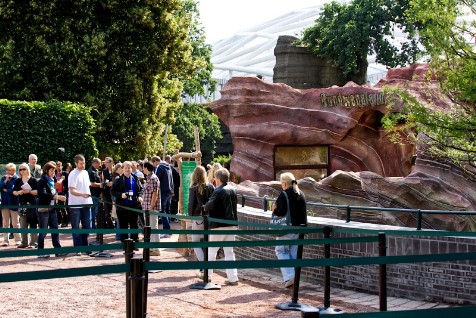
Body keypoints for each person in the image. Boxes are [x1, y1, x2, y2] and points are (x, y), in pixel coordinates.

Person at [203, 168, 239, 286]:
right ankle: (233, 278)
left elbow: (209, 206)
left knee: (212, 250)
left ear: (218, 179)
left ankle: (207, 276)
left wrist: (204, 206)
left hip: (218, 225)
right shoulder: (233, 190)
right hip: (232, 224)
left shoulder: (218, 191)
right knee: (229, 252)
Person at [271, 172, 307, 288]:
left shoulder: (284, 194)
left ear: (285, 183)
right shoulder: (301, 193)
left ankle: (290, 277)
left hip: (287, 228)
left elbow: (281, 212)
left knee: (280, 250)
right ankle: (293, 278)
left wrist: (274, 209)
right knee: (293, 253)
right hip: (298, 229)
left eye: (281, 183)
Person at [36, 162, 67, 258]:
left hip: (52, 208)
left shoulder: (52, 180)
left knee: (55, 229)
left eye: (54, 170)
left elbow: (52, 191)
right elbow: (42, 194)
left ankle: (58, 250)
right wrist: (56, 197)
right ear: (46, 171)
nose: (54, 172)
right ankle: (40, 252)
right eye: (52, 170)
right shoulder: (42, 181)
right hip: (44, 208)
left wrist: (56, 197)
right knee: (43, 231)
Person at [188, 166, 214, 269]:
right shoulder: (211, 186)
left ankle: (203, 265)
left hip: (198, 218)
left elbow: (191, 204)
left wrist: (191, 216)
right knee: (207, 242)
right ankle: (206, 265)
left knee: (195, 243)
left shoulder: (193, 188)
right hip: (209, 218)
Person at [111, 161, 143, 243]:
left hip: (133, 206)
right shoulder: (118, 180)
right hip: (122, 207)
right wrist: (121, 195)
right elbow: (112, 191)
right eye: (126, 168)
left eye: (129, 168)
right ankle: (125, 244)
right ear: (122, 169)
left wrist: (139, 196)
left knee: (134, 225)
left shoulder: (135, 178)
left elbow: (140, 190)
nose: (128, 169)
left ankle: (134, 243)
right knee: (123, 226)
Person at [68, 154, 92, 249]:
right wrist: (82, 194)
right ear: (76, 163)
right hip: (75, 204)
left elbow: (87, 186)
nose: (83, 165)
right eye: (81, 163)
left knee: (87, 226)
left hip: (87, 203)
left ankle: (85, 245)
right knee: (76, 227)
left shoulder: (85, 172)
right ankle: (77, 247)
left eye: (84, 163)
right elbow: (72, 190)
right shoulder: (72, 174)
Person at [13, 163, 38, 248]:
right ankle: (24, 242)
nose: (21, 171)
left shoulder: (33, 180)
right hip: (22, 204)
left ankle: (33, 242)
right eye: (20, 169)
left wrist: (29, 191)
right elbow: (14, 191)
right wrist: (19, 192)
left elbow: (38, 191)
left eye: (23, 169)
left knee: (33, 223)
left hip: (32, 204)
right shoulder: (18, 181)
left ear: (27, 169)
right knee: (23, 224)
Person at [142, 161, 161, 256]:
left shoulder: (153, 178)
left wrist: (151, 206)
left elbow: (155, 193)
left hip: (151, 208)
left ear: (146, 168)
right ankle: (152, 248)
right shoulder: (149, 178)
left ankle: (156, 249)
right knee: (150, 227)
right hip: (147, 207)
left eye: (143, 167)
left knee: (153, 227)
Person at [0, 163, 20, 246]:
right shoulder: (3, 178)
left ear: (14, 171)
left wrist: (6, 190)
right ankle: (5, 240)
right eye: (7, 170)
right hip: (4, 203)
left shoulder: (17, 179)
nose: (7, 172)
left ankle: (18, 240)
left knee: (15, 223)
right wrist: (5, 181)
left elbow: (14, 190)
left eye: (9, 170)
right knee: (5, 223)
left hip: (14, 202)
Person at [155, 156, 174, 235]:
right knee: (167, 210)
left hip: (163, 191)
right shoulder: (168, 167)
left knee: (162, 211)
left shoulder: (160, 167)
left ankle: (167, 230)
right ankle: (167, 229)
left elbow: (156, 179)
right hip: (169, 191)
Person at [88, 158, 102, 230]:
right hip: (93, 194)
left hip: (95, 194)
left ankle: (92, 225)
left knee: (93, 212)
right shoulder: (91, 172)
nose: (100, 165)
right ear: (95, 163)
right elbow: (92, 184)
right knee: (93, 212)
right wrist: (101, 184)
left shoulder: (93, 171)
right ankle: (92, 226)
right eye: (99, 163)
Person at [54, 161, 69, 227]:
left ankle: (65, 222)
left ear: (62, 166)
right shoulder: (53, 173)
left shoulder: (65, 173)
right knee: (57, 208)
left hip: (63, 192)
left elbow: (68, 183)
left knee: (63, 207)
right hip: (56, 192)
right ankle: (58, 221)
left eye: (59, 166)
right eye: (57, 166)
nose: (58, 167)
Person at [101, 157, 115, 229]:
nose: (105, 164)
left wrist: (113, 183)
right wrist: (104, 184)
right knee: (107, 213)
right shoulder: (104, 171)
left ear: (111, 162)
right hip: (106, 194)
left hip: (115, 194)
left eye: (107, 162)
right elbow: (102, 182)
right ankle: (111, 226)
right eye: (105, 162)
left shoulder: (115, 170)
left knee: (116, 212)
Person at [111, 163, 123, 241]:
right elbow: (114, 191)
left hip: (116, 200)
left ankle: (119, 235)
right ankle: (119, 236)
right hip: (117, 201)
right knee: (119, 218)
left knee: (119, 218)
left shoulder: (115, 177)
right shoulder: (117, 178)